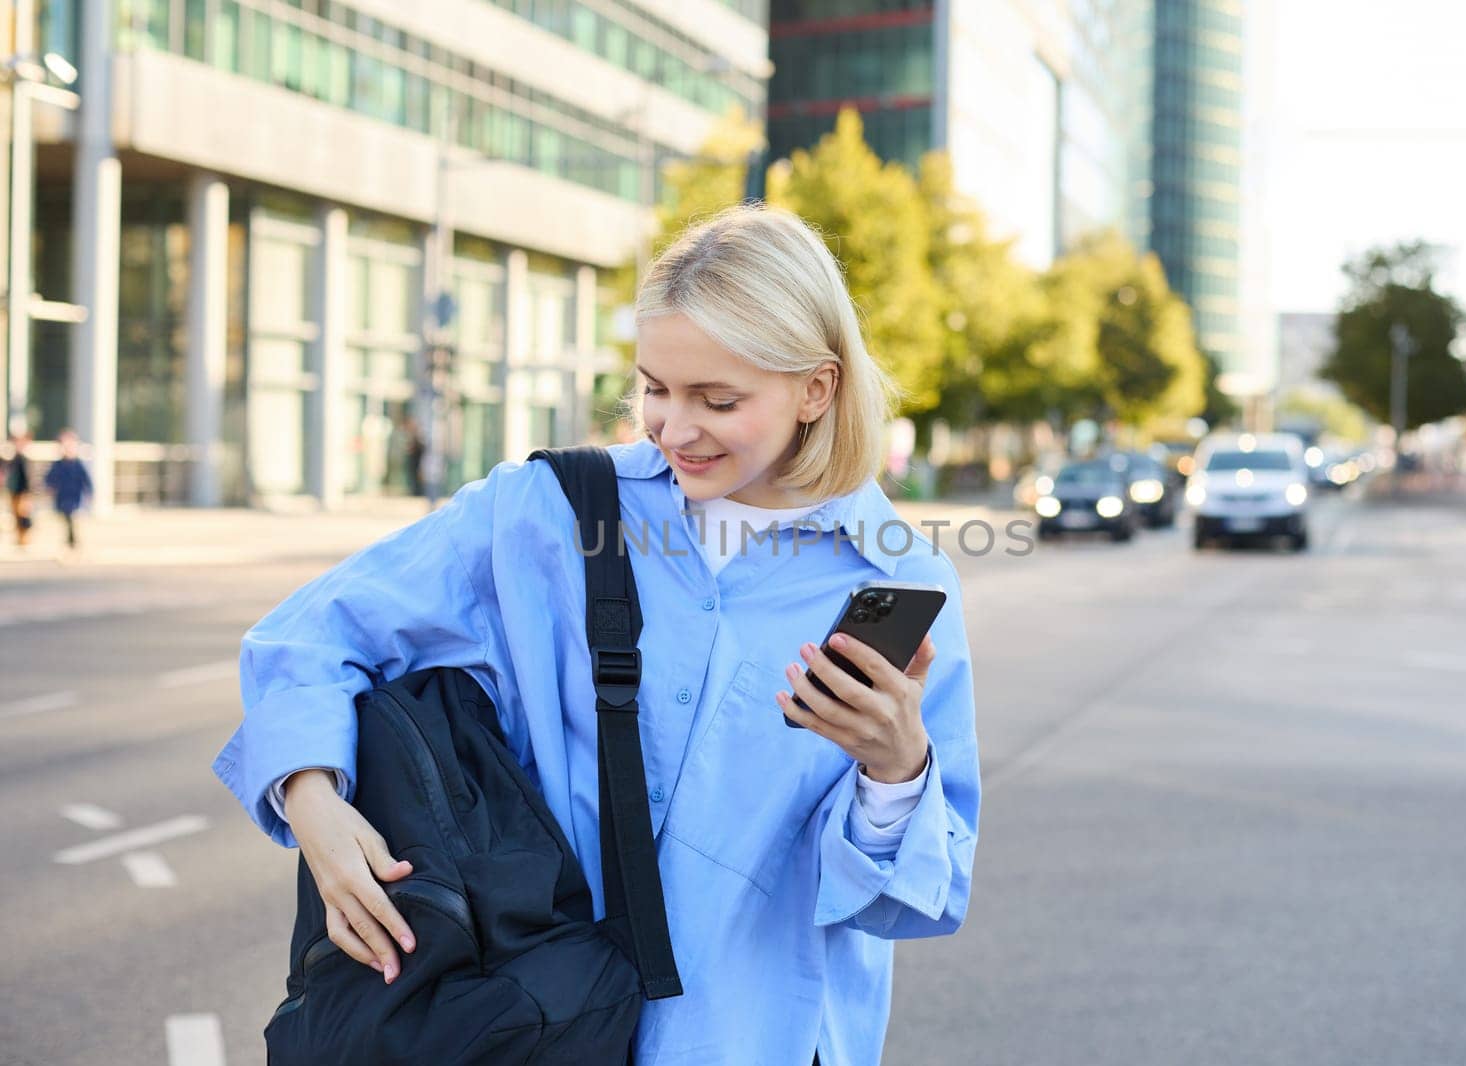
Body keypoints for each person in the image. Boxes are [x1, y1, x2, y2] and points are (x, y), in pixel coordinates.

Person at [213, 205, 980, 1065]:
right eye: (655, 387)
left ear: (817, 388)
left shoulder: (895, 579)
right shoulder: (546, 511)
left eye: (717, 399)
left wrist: (894, 770)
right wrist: (313, 801)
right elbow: (309, 636)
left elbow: (913, 901)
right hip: (530, 1029)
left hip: (754, 1040)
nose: (675, 428)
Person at [44, 429, 93, 550]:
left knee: (72, 518)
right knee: (67, 519)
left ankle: (72, 541)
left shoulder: (78, 464)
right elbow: (50, 478)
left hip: (75, 496)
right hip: (62, 496)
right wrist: (49, 487)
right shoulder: (58, 464)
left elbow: (86, 480)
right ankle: (71, 540)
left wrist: (90, 492)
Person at [6, 429, 34, 547]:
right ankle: (20, 538)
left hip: (22, 492)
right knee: (17, 516)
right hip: (14, 491)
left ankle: (24, 538)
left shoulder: (23, 460)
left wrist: (27, 494)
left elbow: (27, 478)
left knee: (23, 516)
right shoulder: (13, 459)